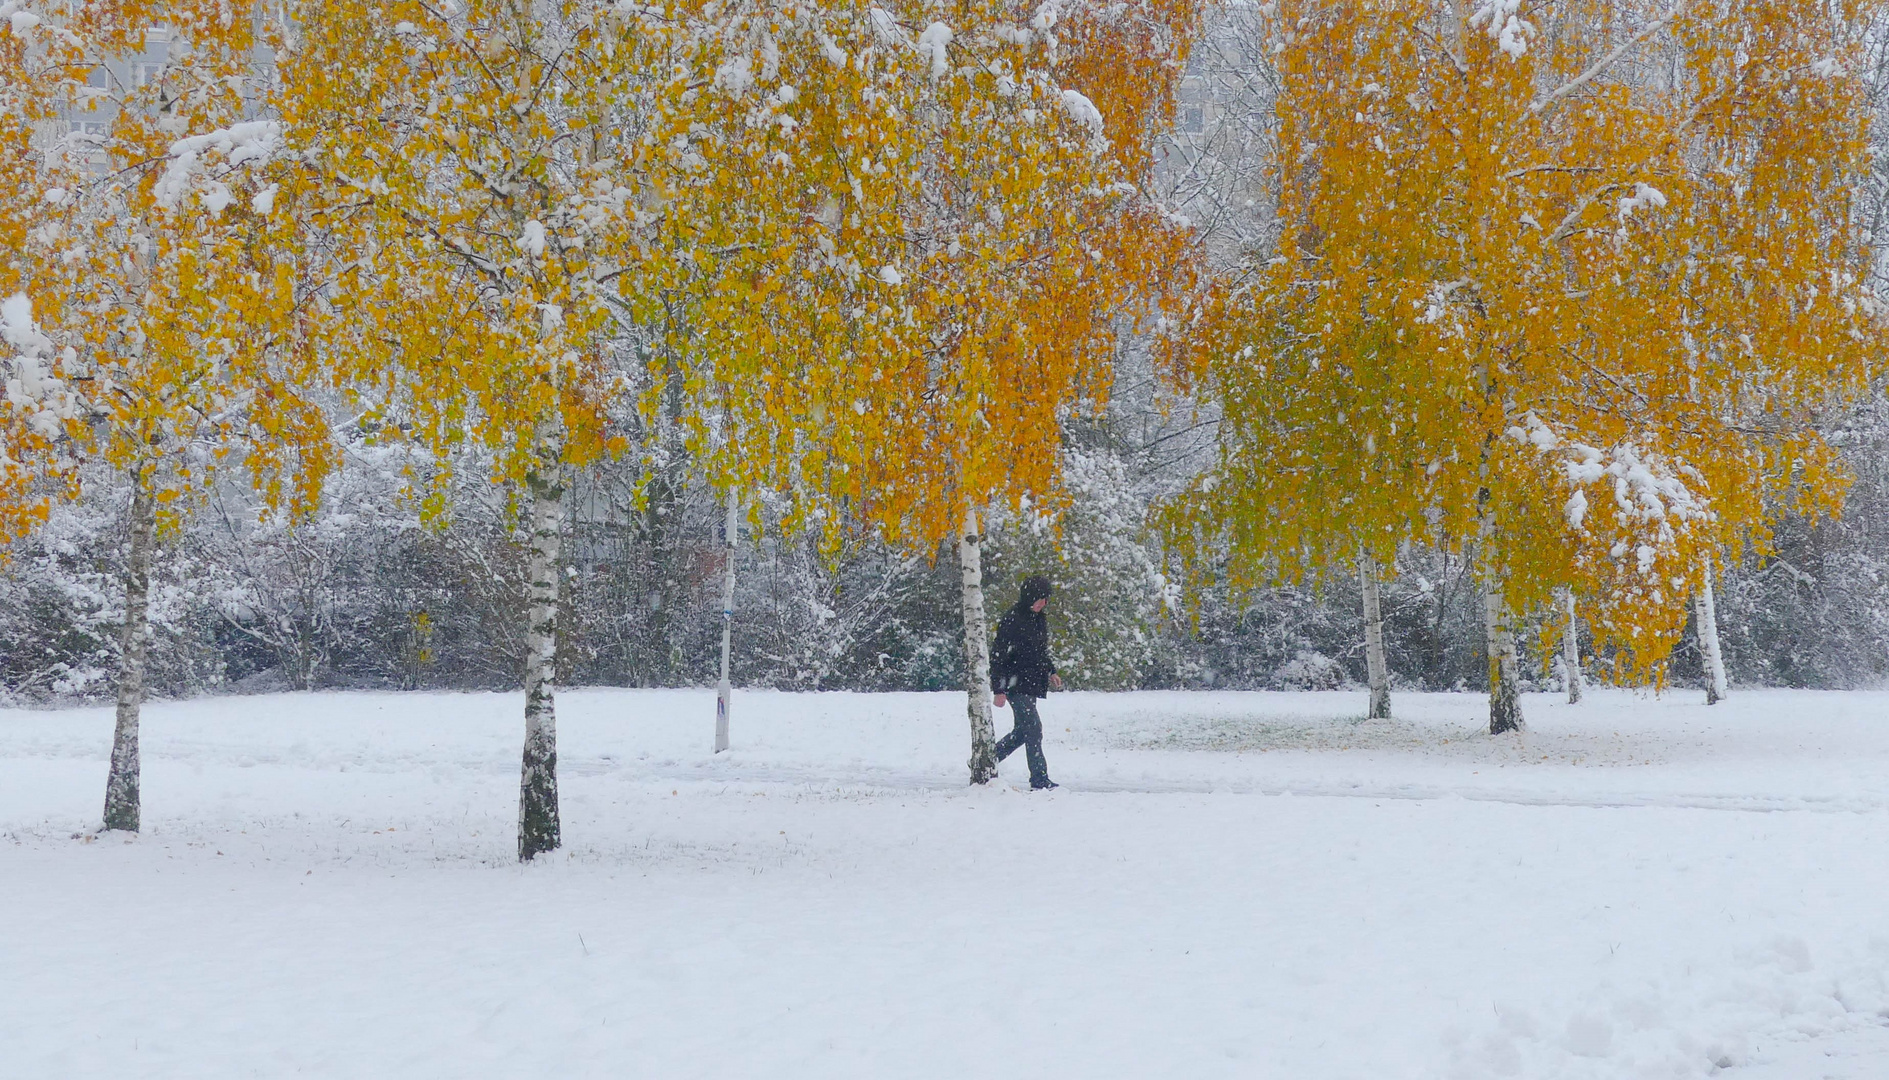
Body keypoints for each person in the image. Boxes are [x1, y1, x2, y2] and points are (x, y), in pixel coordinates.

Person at [990, 574, 1063, 790]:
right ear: (1029, 597)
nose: (1043, 603)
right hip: (1015, 684)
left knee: (1023, 731)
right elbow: (998, 655)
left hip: (1031, 683)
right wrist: (999, 689)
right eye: (1040, 598)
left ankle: (985, 760)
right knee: (1033, 729)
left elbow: (1039, 650)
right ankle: (1039, 779)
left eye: (1046, 599)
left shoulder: (1038, 619)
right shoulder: (1012, 619)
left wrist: (1051, 670)